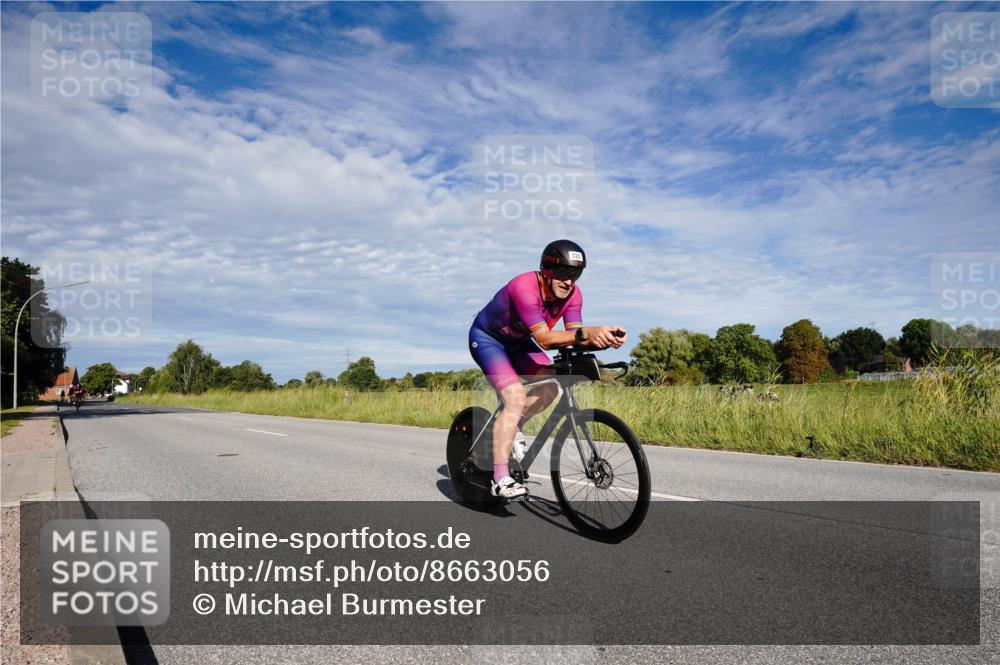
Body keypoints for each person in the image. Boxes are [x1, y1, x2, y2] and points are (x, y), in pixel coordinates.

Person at [469, 240, 627, 500]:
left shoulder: (574, 295)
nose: (569, 281)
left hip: (519, 343)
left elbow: (573, 336)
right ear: (546, 270)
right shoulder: (524, 287)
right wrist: (587, 332)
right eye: (563, 273)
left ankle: (513, 426)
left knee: (550, 385)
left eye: (575, 274)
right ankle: (499, 479)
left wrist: (604, 339)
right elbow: (544, 339)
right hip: (489, 340)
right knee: (515, 397)